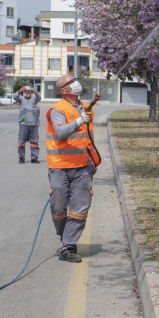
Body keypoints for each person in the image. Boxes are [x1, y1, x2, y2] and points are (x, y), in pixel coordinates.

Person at [46, 74, 101, 263]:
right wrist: (79, 121)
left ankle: (68, 245)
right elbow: (60, 132)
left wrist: (92, 103)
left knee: (80, 208)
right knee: (58, 207)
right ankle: (65, 237)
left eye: (74, 79)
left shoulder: (85, 107)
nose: (75, 83)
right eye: (71, 82)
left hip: (83, 165)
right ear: (63, 90)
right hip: (60, 165)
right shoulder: (57, 110)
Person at [14, 85, 42, 163]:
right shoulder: (21, 99)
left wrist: (34, 91)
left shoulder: (34, 98)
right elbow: (14, 97)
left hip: (34, 123)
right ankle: (21, 157)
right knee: (21, 141)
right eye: (25, 90)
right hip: (23, 123)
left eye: (29, 90)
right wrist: (20, 90)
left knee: (34, 142)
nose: (27, 92)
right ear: (23, 91)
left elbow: (39, 97)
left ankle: (34, 158)